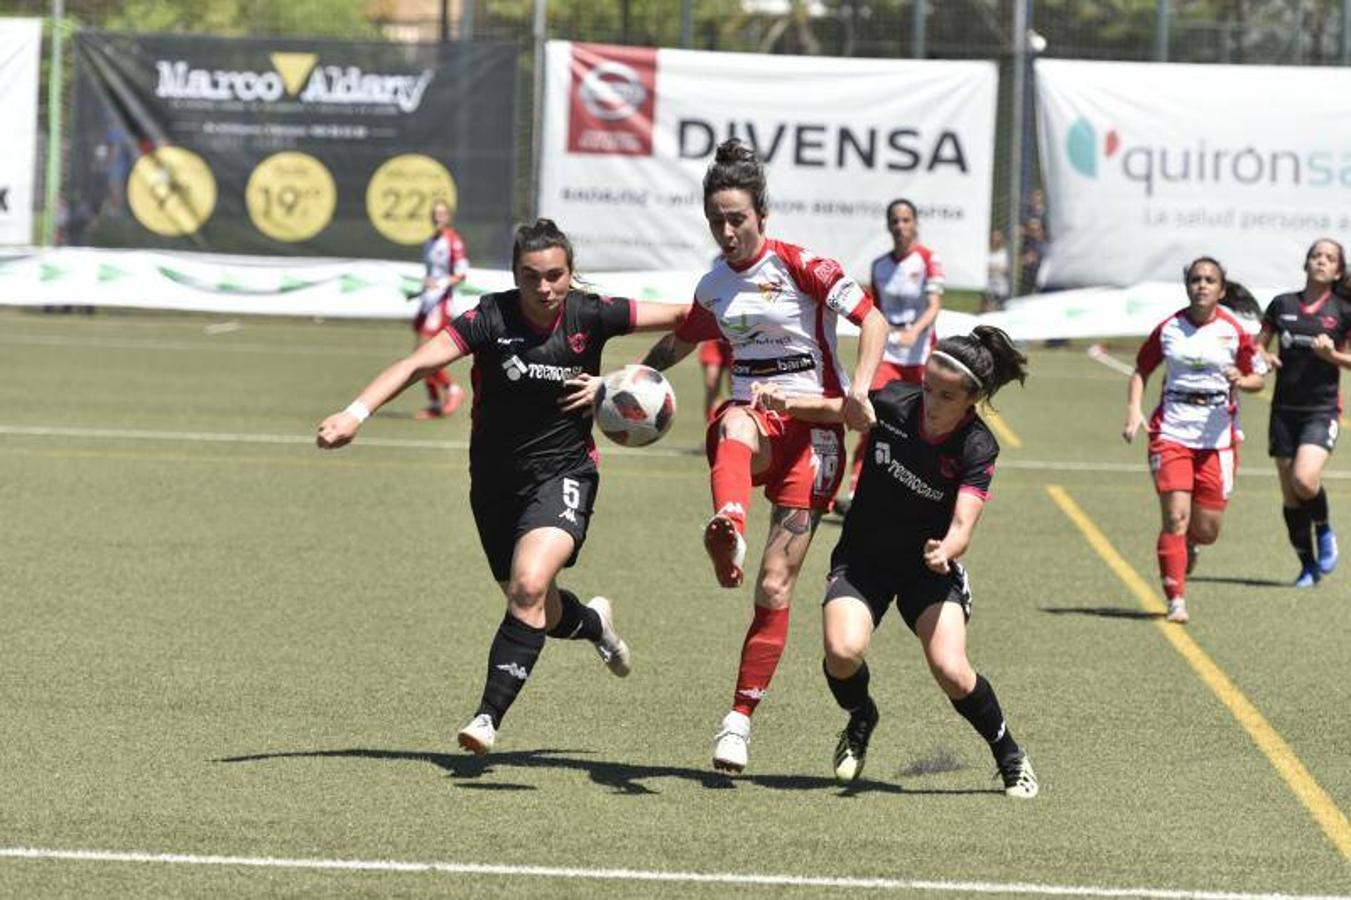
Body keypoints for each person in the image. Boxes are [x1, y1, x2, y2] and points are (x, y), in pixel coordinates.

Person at [316, 218, 691, 756]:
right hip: (493, 484)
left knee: (529, 587)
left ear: (571, 273)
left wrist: (626, 380)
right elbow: (420, 362)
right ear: (515, 274)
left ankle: (487, 718)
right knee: (534, 602)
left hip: (563, 474)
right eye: (531, 276)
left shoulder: (593, 312)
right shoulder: (490, 316)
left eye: (556, 276)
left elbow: (687, 316)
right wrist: (355, 412)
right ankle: (594, 624)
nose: (544, 289)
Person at [639, 138, 888, 773]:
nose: (726, 232)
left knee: (775, 588)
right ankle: (729, 524)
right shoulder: (715, 285)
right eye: (716, 220)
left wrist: (858, 391)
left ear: (762, 215)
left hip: (818, 436)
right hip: (758, 423)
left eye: (737, 219)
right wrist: (630, 381)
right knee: (736, 423)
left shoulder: (802, 267)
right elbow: (682, 338)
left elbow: (874, 322)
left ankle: (738, 721)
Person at [755, 326, 1036, 796]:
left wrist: (946, 548)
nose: (931, 400)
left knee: (950, 669)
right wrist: (787, 404)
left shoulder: (977, 447)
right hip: (864, 560)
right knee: (842, 654)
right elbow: (843, 410)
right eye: (928, 387)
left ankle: (1009, 753)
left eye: (946, 395)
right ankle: (862, 716)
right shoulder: (896, 404)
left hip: (928, 572)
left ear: (973, 398)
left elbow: (964, 524)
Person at [1123, 257, 1267, 623]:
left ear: (1221, 288)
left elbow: (1257, 379)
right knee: (1175, 516)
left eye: (1210, 280)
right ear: (1187, 286)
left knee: (1207, 529)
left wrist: (1242, 378)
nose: (1202, 285)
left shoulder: (1233, 330)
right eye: (1196, 279)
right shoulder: (1170, 328)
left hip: (1217, 438)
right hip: (1171, 432)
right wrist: (1133, 409)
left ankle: (1190, 546)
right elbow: (1142, 368)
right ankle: (1176, 600)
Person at [835, 198, 944, 516]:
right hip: (889, 357)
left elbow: (934, 304)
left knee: (924, 424)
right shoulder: (880, 265)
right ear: (889, 225)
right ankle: (857, 491)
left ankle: (923, 492)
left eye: (906, 220)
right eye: (895, 221)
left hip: (920, 356)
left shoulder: (927, 260)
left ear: (915, 224)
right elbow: (876, 313)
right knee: (871, 417)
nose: (901, 226)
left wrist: (916, 330)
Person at [1257, 238, 1351, 586]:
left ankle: (1325, 530)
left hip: (1321, 410)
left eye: (1329, 258)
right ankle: (1307, 564)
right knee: (1291, 495)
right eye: (1316, 256)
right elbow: (1257, 344)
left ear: (1338, 270)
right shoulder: (1282, 304)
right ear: (1306, 263)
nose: (1321, 262)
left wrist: (1334, 357)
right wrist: (1262, 356)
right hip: (1283, 410)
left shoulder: (1343, 310)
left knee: (1304, 480)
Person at [410, 199, 470, 420]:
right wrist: (423, 287)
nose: (438, 217)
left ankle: (453, 391)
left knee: (425, 354)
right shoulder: (429, 242)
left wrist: (441, 284)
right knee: (420, 355)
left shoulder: (453, 241)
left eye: (442, 213)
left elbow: (461, 273)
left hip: (441, 304)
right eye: (435, 213)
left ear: (449, 216)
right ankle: (435, 403)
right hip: (427, 302)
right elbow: (431, 274)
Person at [699, 339, 735, 422]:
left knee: (734, 388)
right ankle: (714, 425)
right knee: (711, 384)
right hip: (714, 337)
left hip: (734, 339)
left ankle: (733, 423)